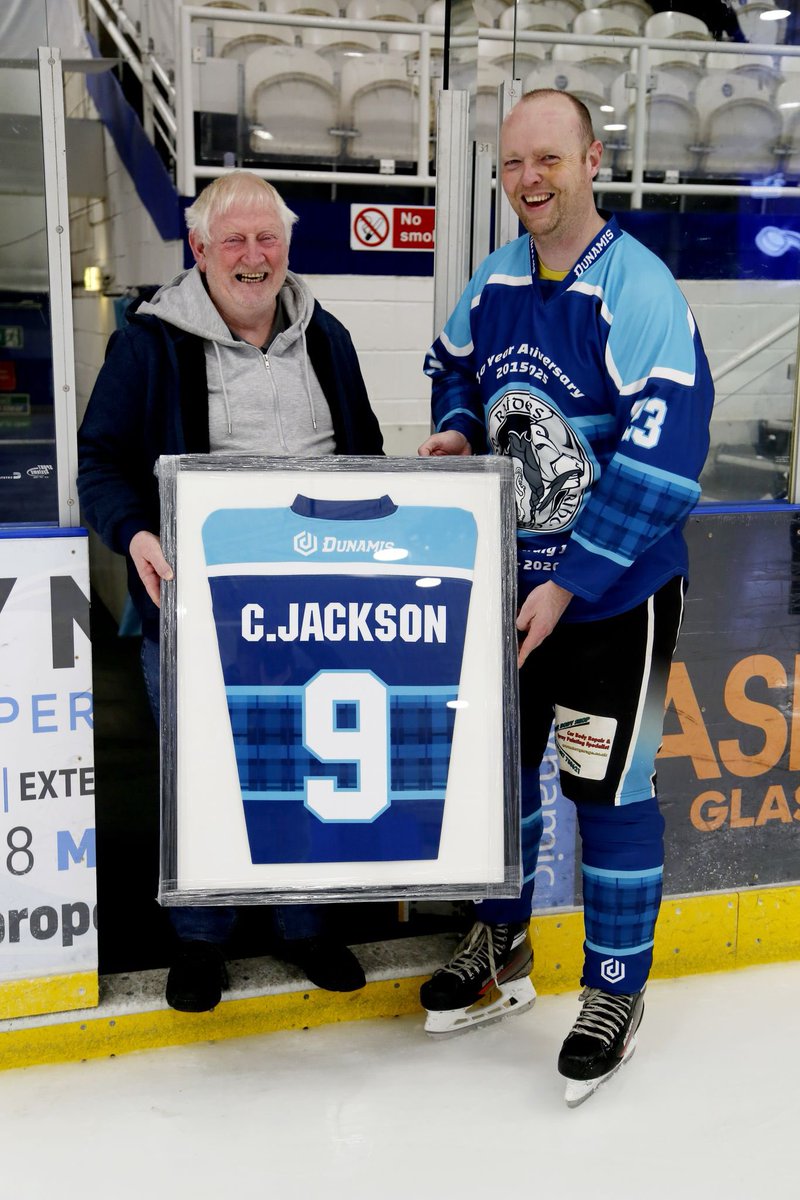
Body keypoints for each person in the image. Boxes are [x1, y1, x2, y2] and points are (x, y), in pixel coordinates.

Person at [417, 90, 714, 1105]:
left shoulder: (637, 289)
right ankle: (499, 950)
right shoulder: (495, 279)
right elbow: (450, 364)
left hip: (609, 602)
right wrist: (456, 428)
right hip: (508, 592)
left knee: (605, 795)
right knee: (496, 787)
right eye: (510, 165)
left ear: (590, 159)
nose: (526, 180)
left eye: (545, 159)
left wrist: (571, 582)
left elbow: (665, 463)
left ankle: (613, 990)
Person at [78, 171, 384, 1013]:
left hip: (321, 611)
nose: (255, 258)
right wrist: (135, 533)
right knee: (204, 774)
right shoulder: (150, 343)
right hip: (196, 610)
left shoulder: (332, 339)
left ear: (287, 247)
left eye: (269, 240)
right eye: (236, 242)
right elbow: (100, 464)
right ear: (202, 250)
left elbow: (365, 455)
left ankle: (306, 927)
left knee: (308, 765)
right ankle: (201, 942)